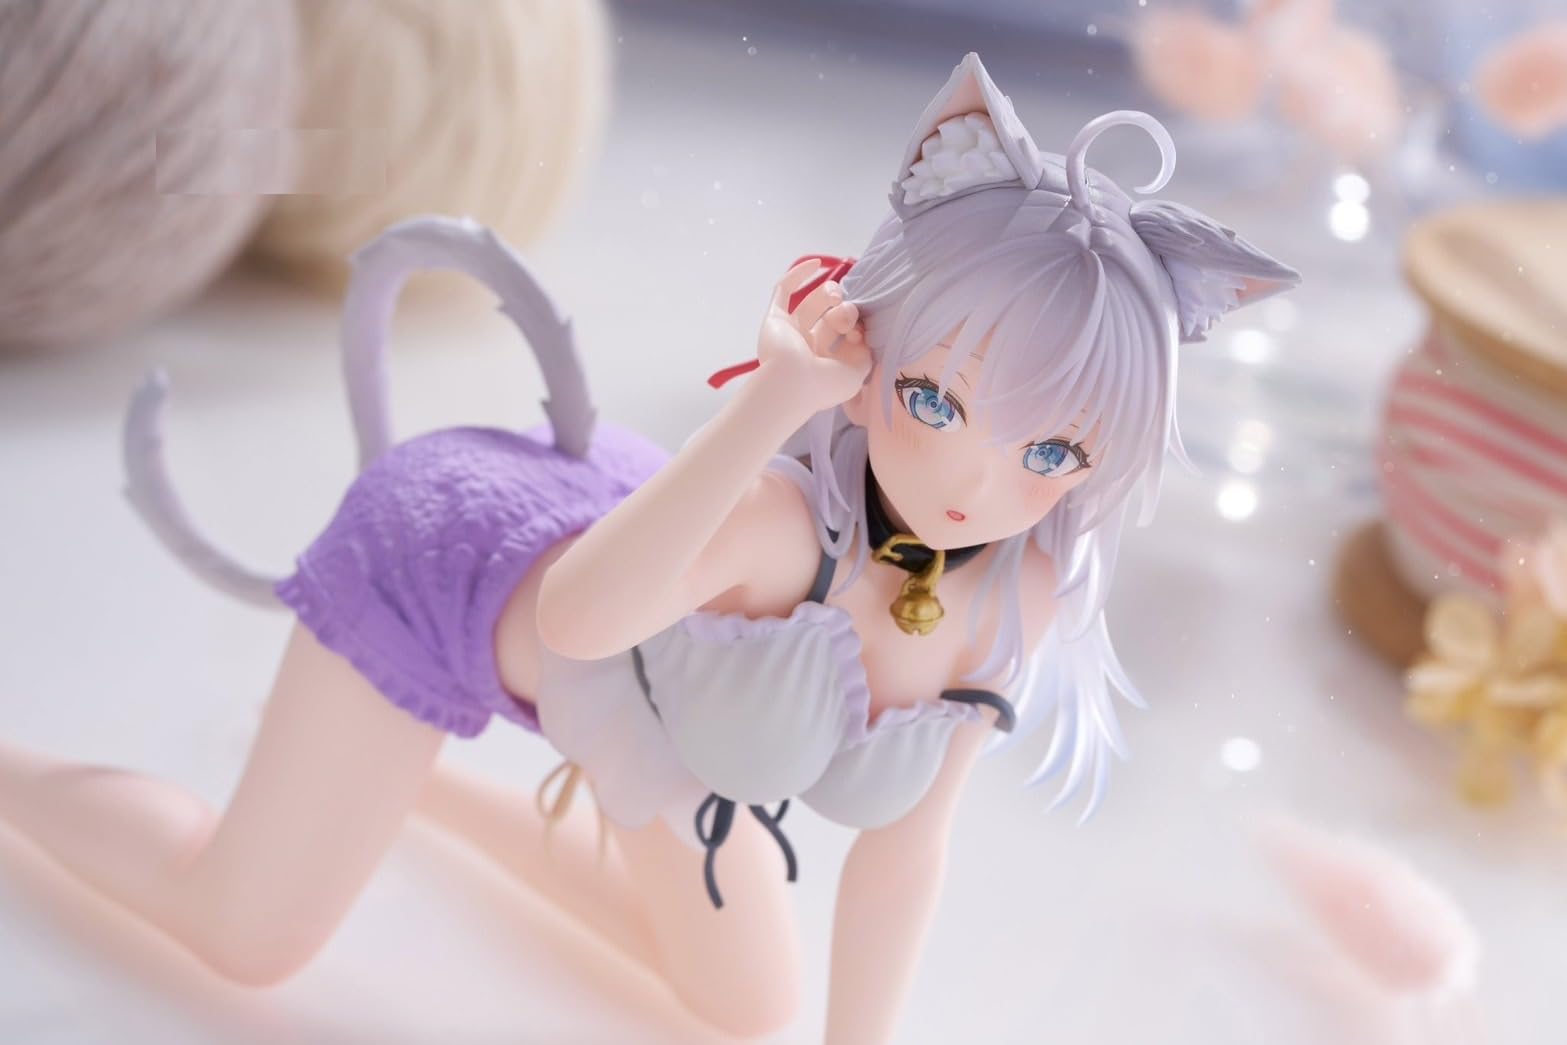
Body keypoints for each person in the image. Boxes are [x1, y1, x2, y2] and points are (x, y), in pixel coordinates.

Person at [0, 53, 1297, 1043]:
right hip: (448, 561)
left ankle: (415, 792)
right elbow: (575, 619)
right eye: (935, 400)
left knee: (750, 1007)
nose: (974, 485)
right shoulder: (774, 524)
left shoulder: (1020, 593)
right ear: (865, 350)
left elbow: (907, 849)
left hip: (652, 721)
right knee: (248, 940)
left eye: (1053, 451)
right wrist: (773, 401)